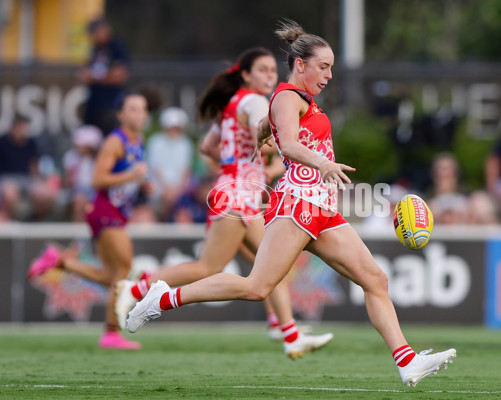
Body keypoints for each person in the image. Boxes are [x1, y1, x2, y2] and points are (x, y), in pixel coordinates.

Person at [126, 20, 456, 387]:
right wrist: (323, 163)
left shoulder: (298, 102)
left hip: (322, 209)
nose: (329, 74)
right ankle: (164, 298)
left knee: (375, 279)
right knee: (257, 287)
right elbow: (291, 145)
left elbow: (268, 133)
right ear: (301, 65)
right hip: (295, 203)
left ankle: (406, 362)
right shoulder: (286, 96)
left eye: (331, 67)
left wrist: (263, 140)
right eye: (323, 66)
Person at [115, 47, 333, 356]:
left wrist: (242, 167)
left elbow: (207, 145)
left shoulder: (231, 104)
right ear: (245, 75)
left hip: (232, 189)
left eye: (273, 70)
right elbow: (268, 135)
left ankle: (286, 330)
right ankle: (137, 289)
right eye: (263, 70)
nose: (271, 76)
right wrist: (269, 159)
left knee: (269, 265)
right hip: (238, 197)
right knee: (211, 266)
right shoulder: (256, 101)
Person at [28, 93, 150, 350]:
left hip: (114, 212)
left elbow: (126, 178)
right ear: (120, 115)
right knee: (124, 271)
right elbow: (97, 180)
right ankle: (111, 333)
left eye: (143, 109)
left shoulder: (138, 139)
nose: (139, 114)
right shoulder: (115, 142)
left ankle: (60, 261)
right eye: (133, 109)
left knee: (111, 275)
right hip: (105, 212)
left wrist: (141, 181)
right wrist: (132, 175)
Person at [0, 116, 59, 221]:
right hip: (7, 178)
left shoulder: (31, 143)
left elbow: (34, 165)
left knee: (47, 194)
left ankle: (33, 221)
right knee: (10, 194)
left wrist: (41, 180)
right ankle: (9, 223)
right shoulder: (3, 142)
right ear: (13, 127)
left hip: (27, 179)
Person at [79, 18, 129, 136]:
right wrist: (104, 76)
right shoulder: (94, 49)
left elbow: (120, 75)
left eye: (96, 32)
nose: (93, 36)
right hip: (93, 103)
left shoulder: (117, 47)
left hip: (110, 105)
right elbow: (84, 75)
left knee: (110, 136)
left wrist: (96, 77)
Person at [147, 107, 194, 221]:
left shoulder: (186, 143)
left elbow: (186, 170)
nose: (173, 130)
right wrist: (168, 190)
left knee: (183, 217)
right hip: (159, 189)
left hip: (178, 189)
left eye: (176, 127)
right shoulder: (155, 142)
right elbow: (155, 168)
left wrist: (176, 190)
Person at [62, 125, 104, 222]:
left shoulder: (100, 159)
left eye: (82, 145)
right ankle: (79, 235)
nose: (78, 147)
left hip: (97, 193)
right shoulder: (71, 157)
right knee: (80, 201)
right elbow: (68, 182)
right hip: (77, 193)